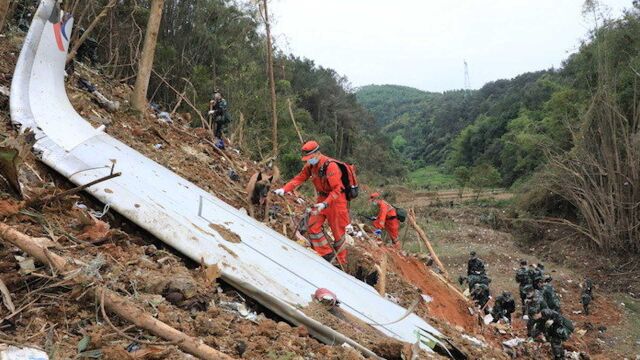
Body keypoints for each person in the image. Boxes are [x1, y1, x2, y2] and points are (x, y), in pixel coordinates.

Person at [274, 141, 351, 265]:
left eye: (310, 158)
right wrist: (284, 189)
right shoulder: (310, 166)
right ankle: (327, 255)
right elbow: (299, 178)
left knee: (338, 234)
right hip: (322, 199)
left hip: (336, 201)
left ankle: (341, 263)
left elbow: (338, 189)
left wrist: (325, 204)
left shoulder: (330, 166)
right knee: (312, 226)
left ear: (318, 153)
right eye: (307, 159)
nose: (308, 161)